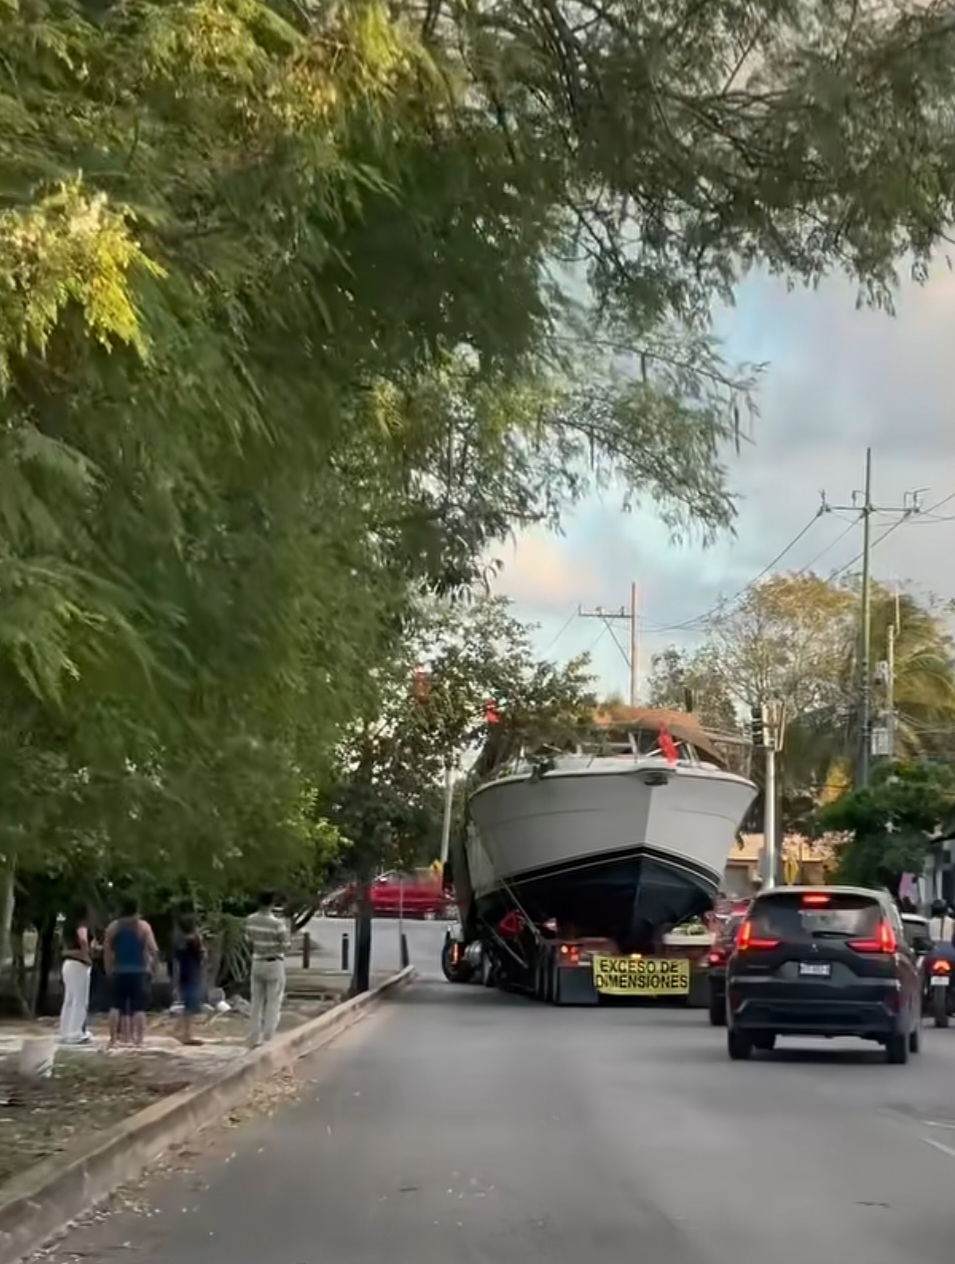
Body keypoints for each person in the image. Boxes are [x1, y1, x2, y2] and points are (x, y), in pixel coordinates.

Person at [104, 896, 158, 1048]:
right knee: (139, 1008)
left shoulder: (113, 927)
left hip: (119, 971)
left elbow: (107, 952)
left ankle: (113, 1039)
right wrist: (154, 968)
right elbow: (153, 949)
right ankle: (139, 1040)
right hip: (139, 972)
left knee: (115, 1006)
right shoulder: (143, 927)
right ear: (137, 909)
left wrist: (108, 969)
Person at [245, 891, 291, 1049]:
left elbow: (249, 940)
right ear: (272, 903)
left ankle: (253, 1037)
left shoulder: (250, 920)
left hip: (257, 962)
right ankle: (268, 1037)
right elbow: (286, 945)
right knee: (273, 1002)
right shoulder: (277, 924)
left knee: (256, 1001)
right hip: (274, 963)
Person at [58, 911, 93, 1045]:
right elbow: (83, 938)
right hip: (79, 964)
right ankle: (76, 1032)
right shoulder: (81, 924)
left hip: (67, 964)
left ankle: (65, 1031)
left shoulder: (66, 928)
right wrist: (86, 953)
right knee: (80, 1000)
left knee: (69, 999)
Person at [172, 913, 206, 1046]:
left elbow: (176, 962)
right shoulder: (194, 940)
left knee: (189, 1006)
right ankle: (184, 1033)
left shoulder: (179, 942)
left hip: (184, 976)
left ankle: (181, 1031)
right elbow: (202, 955)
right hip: (192, 975)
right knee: (190, 1007)